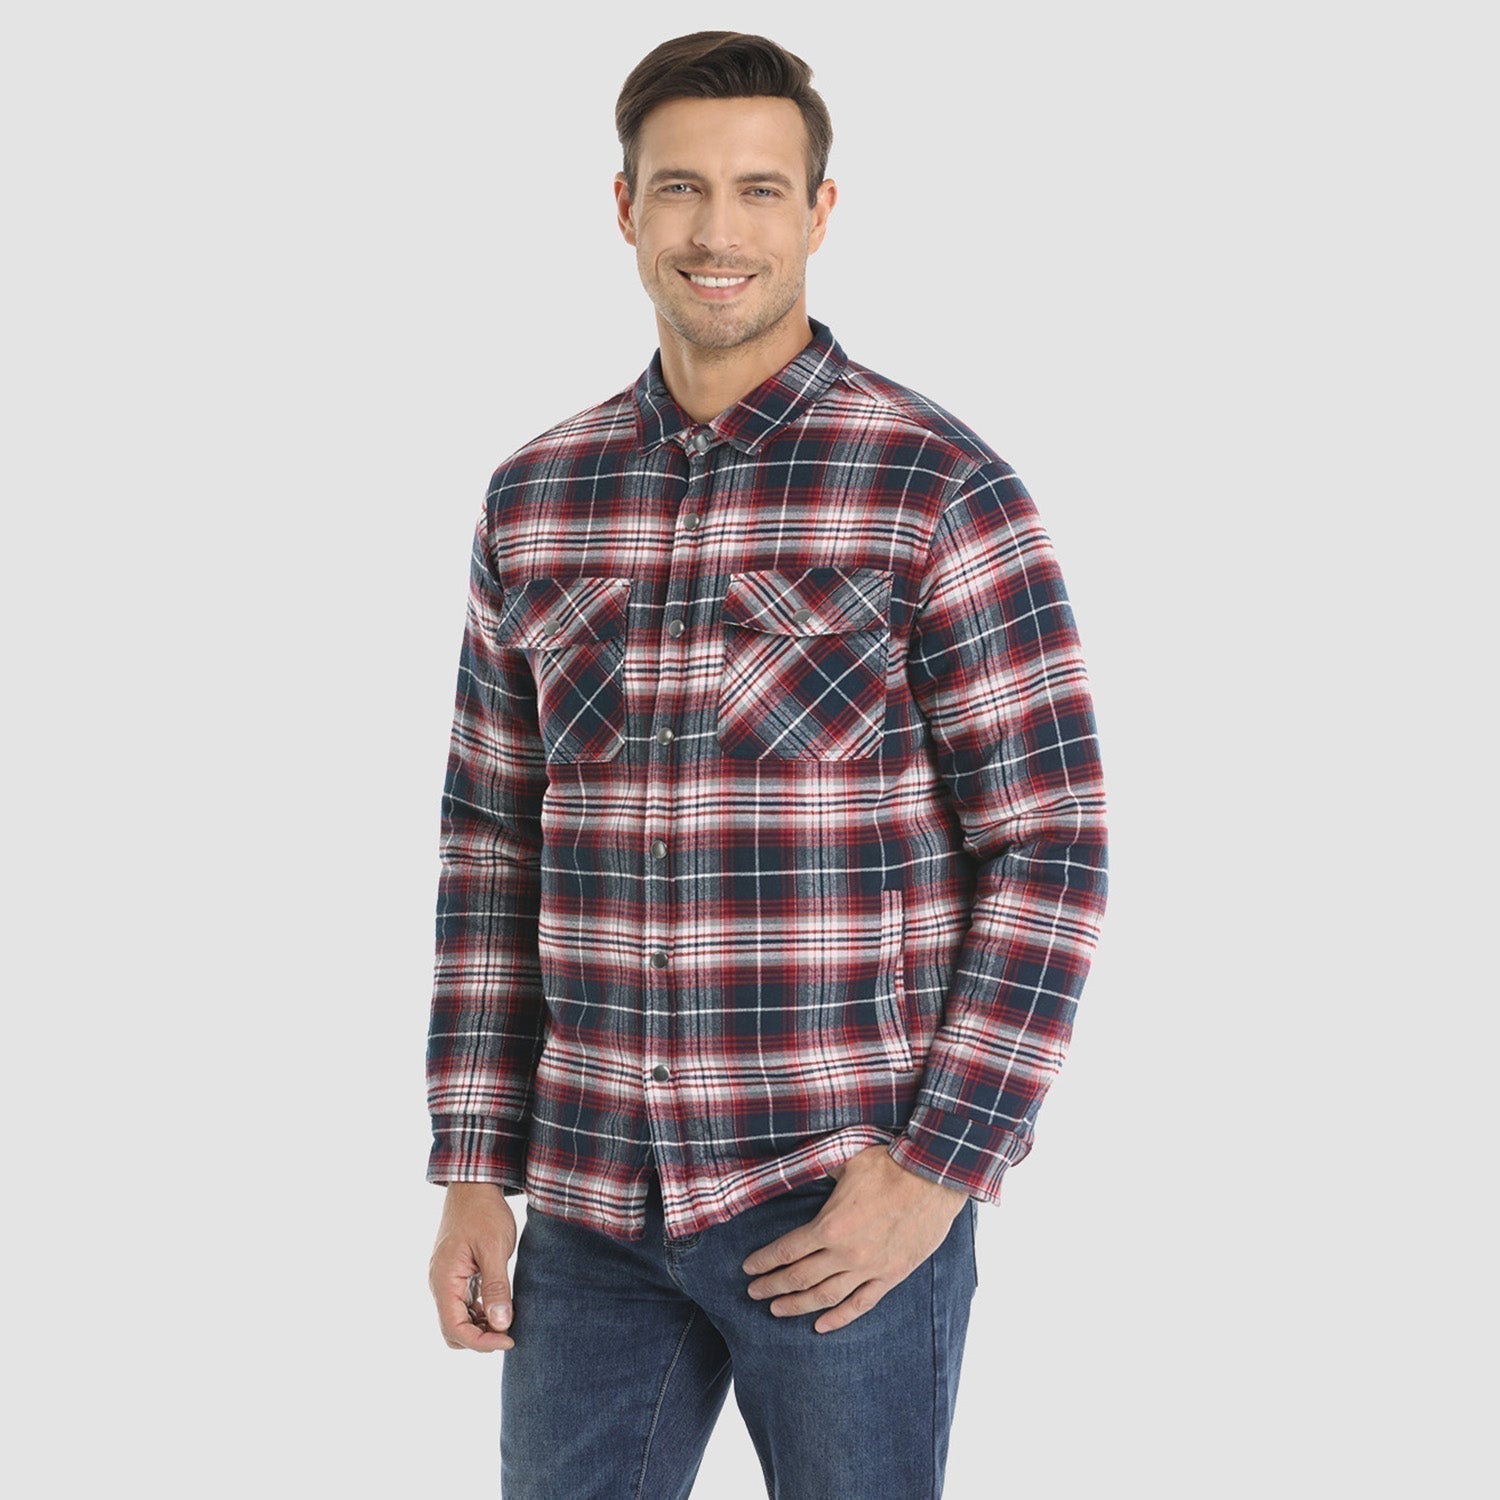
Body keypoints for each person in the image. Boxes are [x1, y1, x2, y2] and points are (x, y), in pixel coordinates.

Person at [425, 30, 1109, 1498]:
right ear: (625, 209)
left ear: (819, 211)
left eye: (758, 190)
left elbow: (1051, 840)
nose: (716, 232)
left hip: (840, 1202)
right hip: (591, 1207)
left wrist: (939, 1169)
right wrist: (475, 1164)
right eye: (680, 188)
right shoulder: (536, 497)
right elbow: (491, 844)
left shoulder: (935, 486)